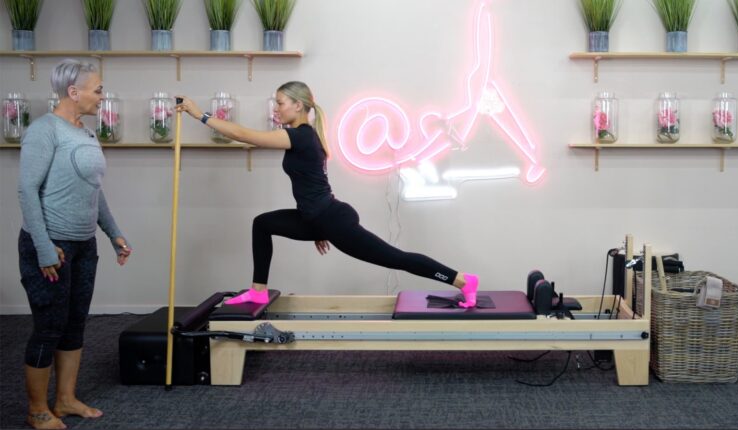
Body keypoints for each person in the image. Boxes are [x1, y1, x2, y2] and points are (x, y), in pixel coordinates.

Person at [175, 82, 478, 307]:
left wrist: (199, 115)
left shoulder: (300, 136)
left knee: (394, 258)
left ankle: (462, 280)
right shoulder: (305, 136)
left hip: (333, 219)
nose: (276, 108)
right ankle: (258, 291)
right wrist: (315, 226)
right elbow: (311, 185)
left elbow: (244, 135)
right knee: (262, 223)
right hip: (320, 217)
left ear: (298, 105)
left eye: (280, 103)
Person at [17, 59, 131, 430]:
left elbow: (93, 190)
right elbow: (27, 190)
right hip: (51, 245)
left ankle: (65, 400)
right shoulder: (44, 130)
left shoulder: (86, 133)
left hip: (83, 245)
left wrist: (113, 233)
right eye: (97, 90)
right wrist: (43, 248)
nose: (102, 96)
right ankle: (37, 410)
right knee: (49, 326)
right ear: (73, 92)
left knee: (74, 324)